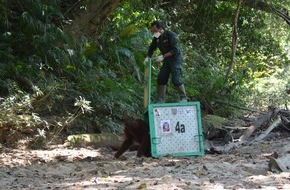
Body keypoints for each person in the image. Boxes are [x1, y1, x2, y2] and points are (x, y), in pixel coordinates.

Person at [143, 21, 187, 103]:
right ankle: (160, 100)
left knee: (176, 79)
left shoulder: (170, 35)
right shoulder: (157, 38)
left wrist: (163, 56)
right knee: (161, 78)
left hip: (175, 59)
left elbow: (175, 50)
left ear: (160, 29)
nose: (153, 33)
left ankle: (183, 98)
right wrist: (147, 57)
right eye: (152, 31)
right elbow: (152, 48)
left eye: (155, 31)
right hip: (166, 60)